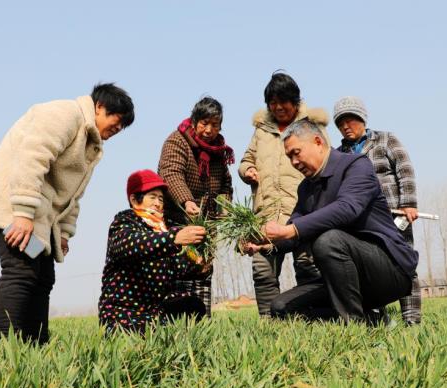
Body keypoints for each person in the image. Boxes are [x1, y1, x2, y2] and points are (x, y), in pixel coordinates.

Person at [0, 83, 134, 344]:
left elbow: (73, 194)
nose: (118, 129)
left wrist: (63, 234)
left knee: (43, 277)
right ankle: (3, 349)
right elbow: (32, 158)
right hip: (14, 207)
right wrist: (21, 214)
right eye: (117, 120)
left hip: (37, 217)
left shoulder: (91, 145)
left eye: (123, 127)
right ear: (99, 107)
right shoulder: (65, 114)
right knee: (20, 272)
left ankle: (35, 346)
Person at [244, 119, 418, 324]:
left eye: (296, 153)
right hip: (342, 277)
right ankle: (372, 320)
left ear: (318, 142)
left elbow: (347, 208)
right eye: (289, 157)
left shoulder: (355, 165)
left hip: (388, 271)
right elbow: (293, 234)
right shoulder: (306, 188)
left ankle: (352, 326)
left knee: (328, 240)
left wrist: (290, 231)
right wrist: (266, 243)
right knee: (281, 308)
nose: (294, 162)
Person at [238, 72, 324, 315]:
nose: (277, 107)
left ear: (295, 101)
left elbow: (323, 162)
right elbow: (246, 160)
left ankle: (310, 317)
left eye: (282, 102)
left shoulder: (310, 127)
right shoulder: (262, 131)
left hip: (302, 211)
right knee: (262, 270)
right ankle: (269, 323)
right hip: (266, 212)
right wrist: (248, 170)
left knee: (307, 267)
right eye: (272, 103)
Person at [333, 96, 422, 325]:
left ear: (362, 119)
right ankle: (378, 319)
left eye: (351, 120)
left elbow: (404, 170)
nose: (346, 126)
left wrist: (408, 203)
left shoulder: (385, 141)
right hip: (361, 222)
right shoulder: (339, 154)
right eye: (341, 123)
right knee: (369, 271)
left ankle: (412, 320)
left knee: (405, 265)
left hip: (395, 216)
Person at [98, 170, 209, 334]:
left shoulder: (164, 228)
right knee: (136, 343)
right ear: (135, 200)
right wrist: (173, 238)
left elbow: (176, 266)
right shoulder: (124, 222)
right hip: (125, 310)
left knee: (192, 304)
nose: (157, 203)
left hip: (156, 311)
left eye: (161, 199)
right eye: (152, 197)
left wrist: (198, 264)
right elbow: (131, 245)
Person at [158, 97, 234, 316]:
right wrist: (187, 201)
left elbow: (225, 185)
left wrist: (225, 209)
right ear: (193, 121)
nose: (209, 129)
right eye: (204, 123)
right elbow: (170, 172)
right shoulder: (177, 141)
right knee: (178, 272)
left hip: (206, 225)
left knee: (203, 271)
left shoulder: (219, 150)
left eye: (215, 124)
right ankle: (173, 322)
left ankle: (202, 321)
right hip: (177, 221)